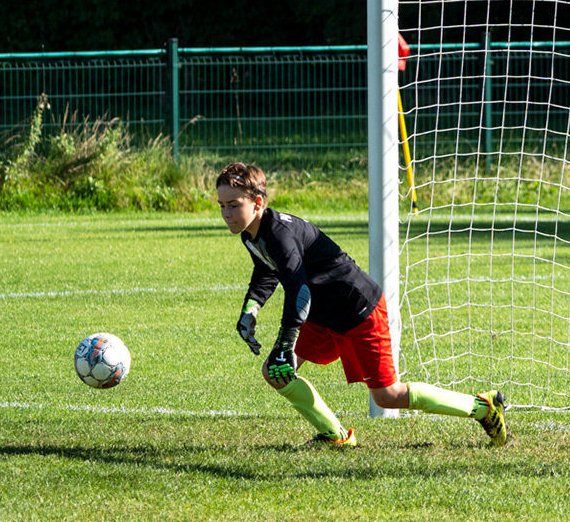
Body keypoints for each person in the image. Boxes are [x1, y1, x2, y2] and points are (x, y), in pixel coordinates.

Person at [214, 161, 507, 448]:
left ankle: (483, 407)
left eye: (233, 205)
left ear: (258, 202)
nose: (226, 213)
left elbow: (298, 288)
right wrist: (250, 310)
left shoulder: (280, 234)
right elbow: (267, 270)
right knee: (275, 372)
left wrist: (284, 342)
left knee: (388, 396)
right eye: (222, 205)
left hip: (358, 310)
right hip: (323, 314)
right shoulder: (252, 233)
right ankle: (336, 436)